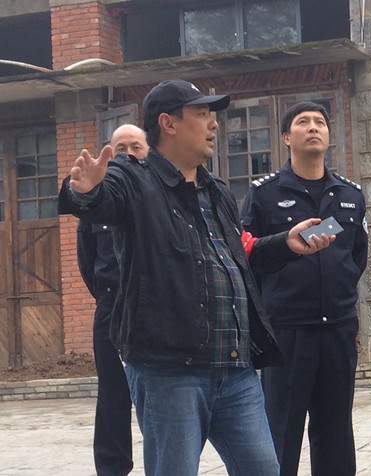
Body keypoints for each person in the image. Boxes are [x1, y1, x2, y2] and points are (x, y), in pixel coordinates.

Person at [59, 79, 333, 476]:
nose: (214, 123)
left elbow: (237, 255)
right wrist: (84, 192)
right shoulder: (133, 178)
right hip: (170, 372)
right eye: (202, 114)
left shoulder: (215, 189)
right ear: (168, 123)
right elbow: (98, 198)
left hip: (236, 369)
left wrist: (285, 243)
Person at [240, 102, 368, 476]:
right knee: (280, 435)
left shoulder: (349, 195)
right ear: (286, 137)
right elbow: (248, 258)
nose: (313, 127)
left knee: (335, 436)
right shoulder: (264, 194)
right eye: (303, 122)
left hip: (338, 332)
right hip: (287, 333)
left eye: (320, 122)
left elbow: (356, 256)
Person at [77, 123, 147, 476]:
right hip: (111, 308)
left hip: (154, 309)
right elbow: (86, 261)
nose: (128, 154)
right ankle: (112, 469)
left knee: (161, 396)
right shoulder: (96, 201)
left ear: (148, 152)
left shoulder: (157, 195)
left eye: (136, 146)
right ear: (109, 152)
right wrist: (110, 297)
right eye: (121, 148)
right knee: (112, 395)